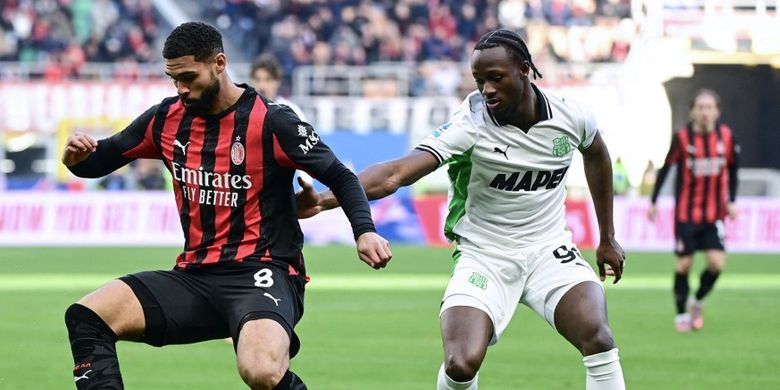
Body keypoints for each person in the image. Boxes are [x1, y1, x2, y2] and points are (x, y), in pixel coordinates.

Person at [61, 22, 392, 390]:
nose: (181, 88)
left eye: (188, 76)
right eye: (173, 79)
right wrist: (76, 157)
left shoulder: (272, 121)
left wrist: (364, 232)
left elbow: (342, 177)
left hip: (262, 272)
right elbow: (99, 160)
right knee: (87, 316)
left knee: (261, 371)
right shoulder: (165, 119)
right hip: (195, 277)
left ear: (219, 63)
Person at [297, 29, 626, 390]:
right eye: (479, 80)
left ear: (524, 69)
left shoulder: (570, 115)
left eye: (495, 78)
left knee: (598, 337)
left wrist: (607, 237)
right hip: (484, 254)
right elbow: (394, 174)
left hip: (549, 249)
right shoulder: (469, 125)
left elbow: (597, 155)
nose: (486, 90)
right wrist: (327, 199)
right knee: (460, 363)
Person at [648, 89, 739, 333]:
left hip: (713, 215)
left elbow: (733, 170)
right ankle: (680, 316)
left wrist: (732, 200)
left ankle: (696, 301)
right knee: (684, 265)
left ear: (717, 111)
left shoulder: (726, 137)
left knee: (717, 264)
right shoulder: (682, 138)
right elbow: (666, 169)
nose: (705, 112)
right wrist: (654, 200)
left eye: (709, 107)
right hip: (686, 216)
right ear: (692, 111)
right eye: (700, 107)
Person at [250, 54, 307, 121]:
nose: (262, 85)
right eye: (257, 79)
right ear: (252, 81)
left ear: (277, 81)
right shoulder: (244, 111)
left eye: (268, 80)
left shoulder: (291, 111)